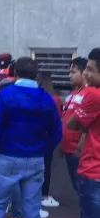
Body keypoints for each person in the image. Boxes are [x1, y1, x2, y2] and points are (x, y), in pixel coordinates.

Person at [0, 57, 62, 218]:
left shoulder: (5, 95)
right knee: (32, 210)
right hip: (35, 158)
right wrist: (43, 150)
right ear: (36, 75)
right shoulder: (46, 99)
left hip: (7, 156)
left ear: (14, 74)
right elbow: (56, 132)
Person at [67, 48, 100, 218]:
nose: (85, 74)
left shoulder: (93, 96)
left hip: (94, 170)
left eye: (89, 69)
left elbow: (73, 123)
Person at [59, 57, 88, 218]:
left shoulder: (90, 94)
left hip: (80, 153)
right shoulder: (74, 92)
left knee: (87, 194)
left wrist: (78, 147)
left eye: (73, 72)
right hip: (69, 149)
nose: (70, 75)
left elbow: (86, 127)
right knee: (81, 193)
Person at [38, 72, 62, 209]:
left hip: (33, 138)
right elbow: (57, 121)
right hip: (47, 138)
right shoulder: (54, 99)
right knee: (45, 169)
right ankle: (44, 196)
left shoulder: (35, 97)